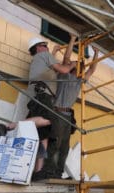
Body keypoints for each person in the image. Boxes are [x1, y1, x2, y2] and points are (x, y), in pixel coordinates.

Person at [42, 36, 100, 179]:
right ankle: (48, 170)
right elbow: (66, 58)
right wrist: (72, 40)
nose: (81, 68)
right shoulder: (64, 75)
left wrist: (96, 54)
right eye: (79, 66)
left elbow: (92, 70)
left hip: (68, 116)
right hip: (58, 112)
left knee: (64, 147)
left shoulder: (79, 80)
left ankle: (58, 172)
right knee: (55, 143)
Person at [25, 36, 77, 178]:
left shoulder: (39, 59)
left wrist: (54, 51)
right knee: (50, 122)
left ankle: (38, 171)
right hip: (43, 94)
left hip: (38, 94)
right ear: (39, 47)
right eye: (45, 45)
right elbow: (64, 69)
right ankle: (11, 125)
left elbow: (49, 67)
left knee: (44, 136)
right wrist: (72, 64)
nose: (47, 48)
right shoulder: (44, 55)